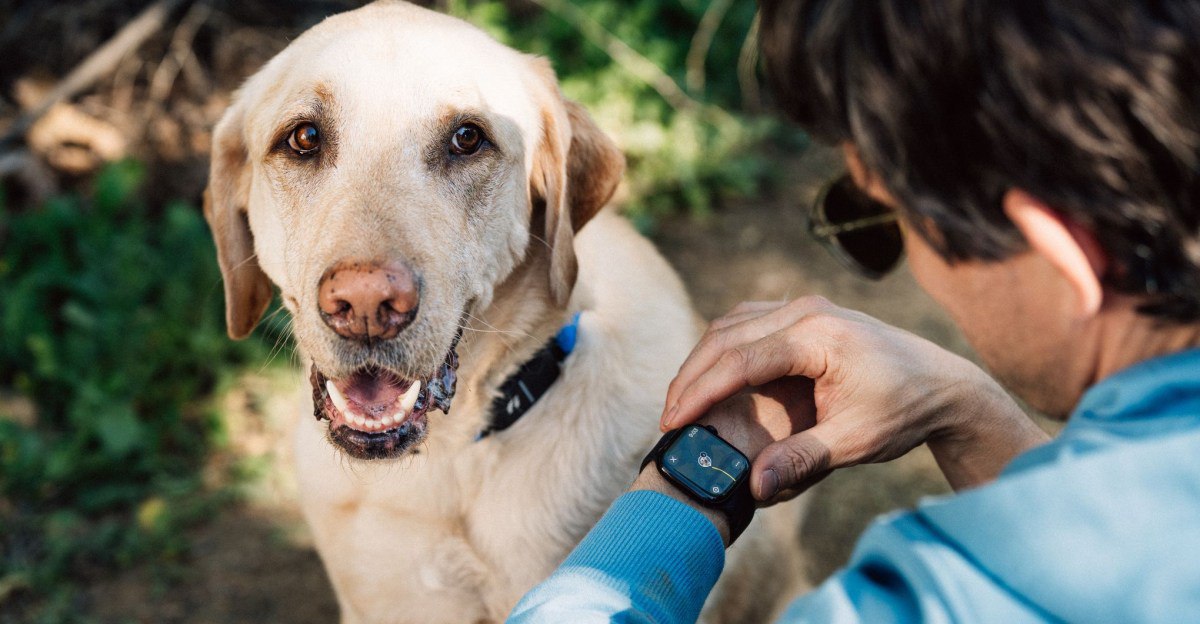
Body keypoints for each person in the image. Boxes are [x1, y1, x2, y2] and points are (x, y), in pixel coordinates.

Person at [508, 0, 1200, 621]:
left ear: (1060, 256)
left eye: (890, 219)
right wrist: (967, 410)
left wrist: (686, 487)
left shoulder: (949, 597)